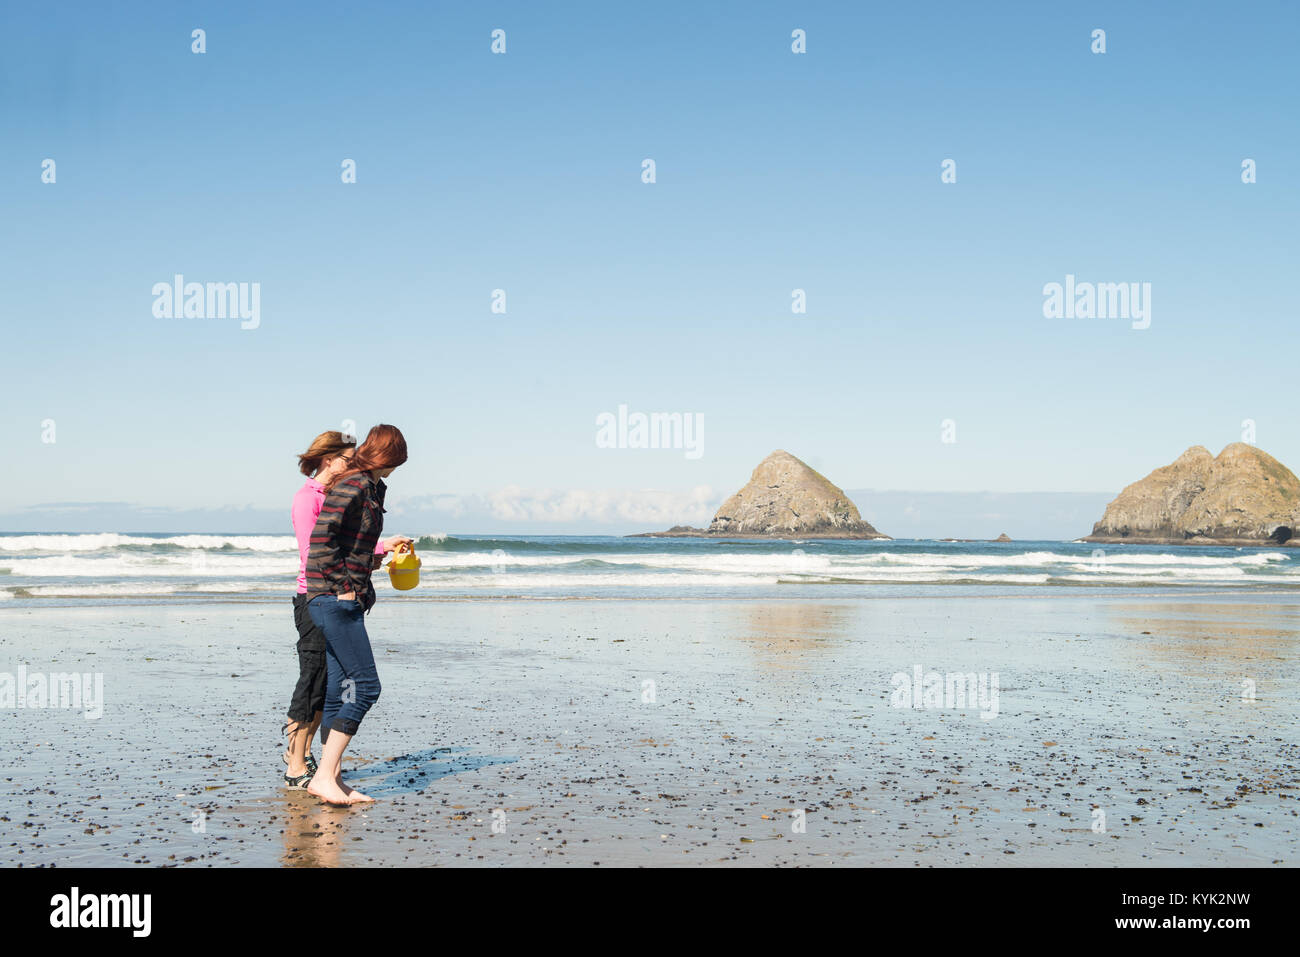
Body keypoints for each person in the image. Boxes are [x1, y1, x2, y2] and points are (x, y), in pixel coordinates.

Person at [284, 431, 409, 790]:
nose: (349, 463)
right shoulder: (315, 497)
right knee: (323, 682)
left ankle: (328, 772)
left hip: (335, 596)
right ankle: (299, 765)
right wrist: (343, 590)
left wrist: (377, 555)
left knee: (333, 686)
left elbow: (347, 547)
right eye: (344, 457)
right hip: (321, 597)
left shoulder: (360, 489)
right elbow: (317, 551)